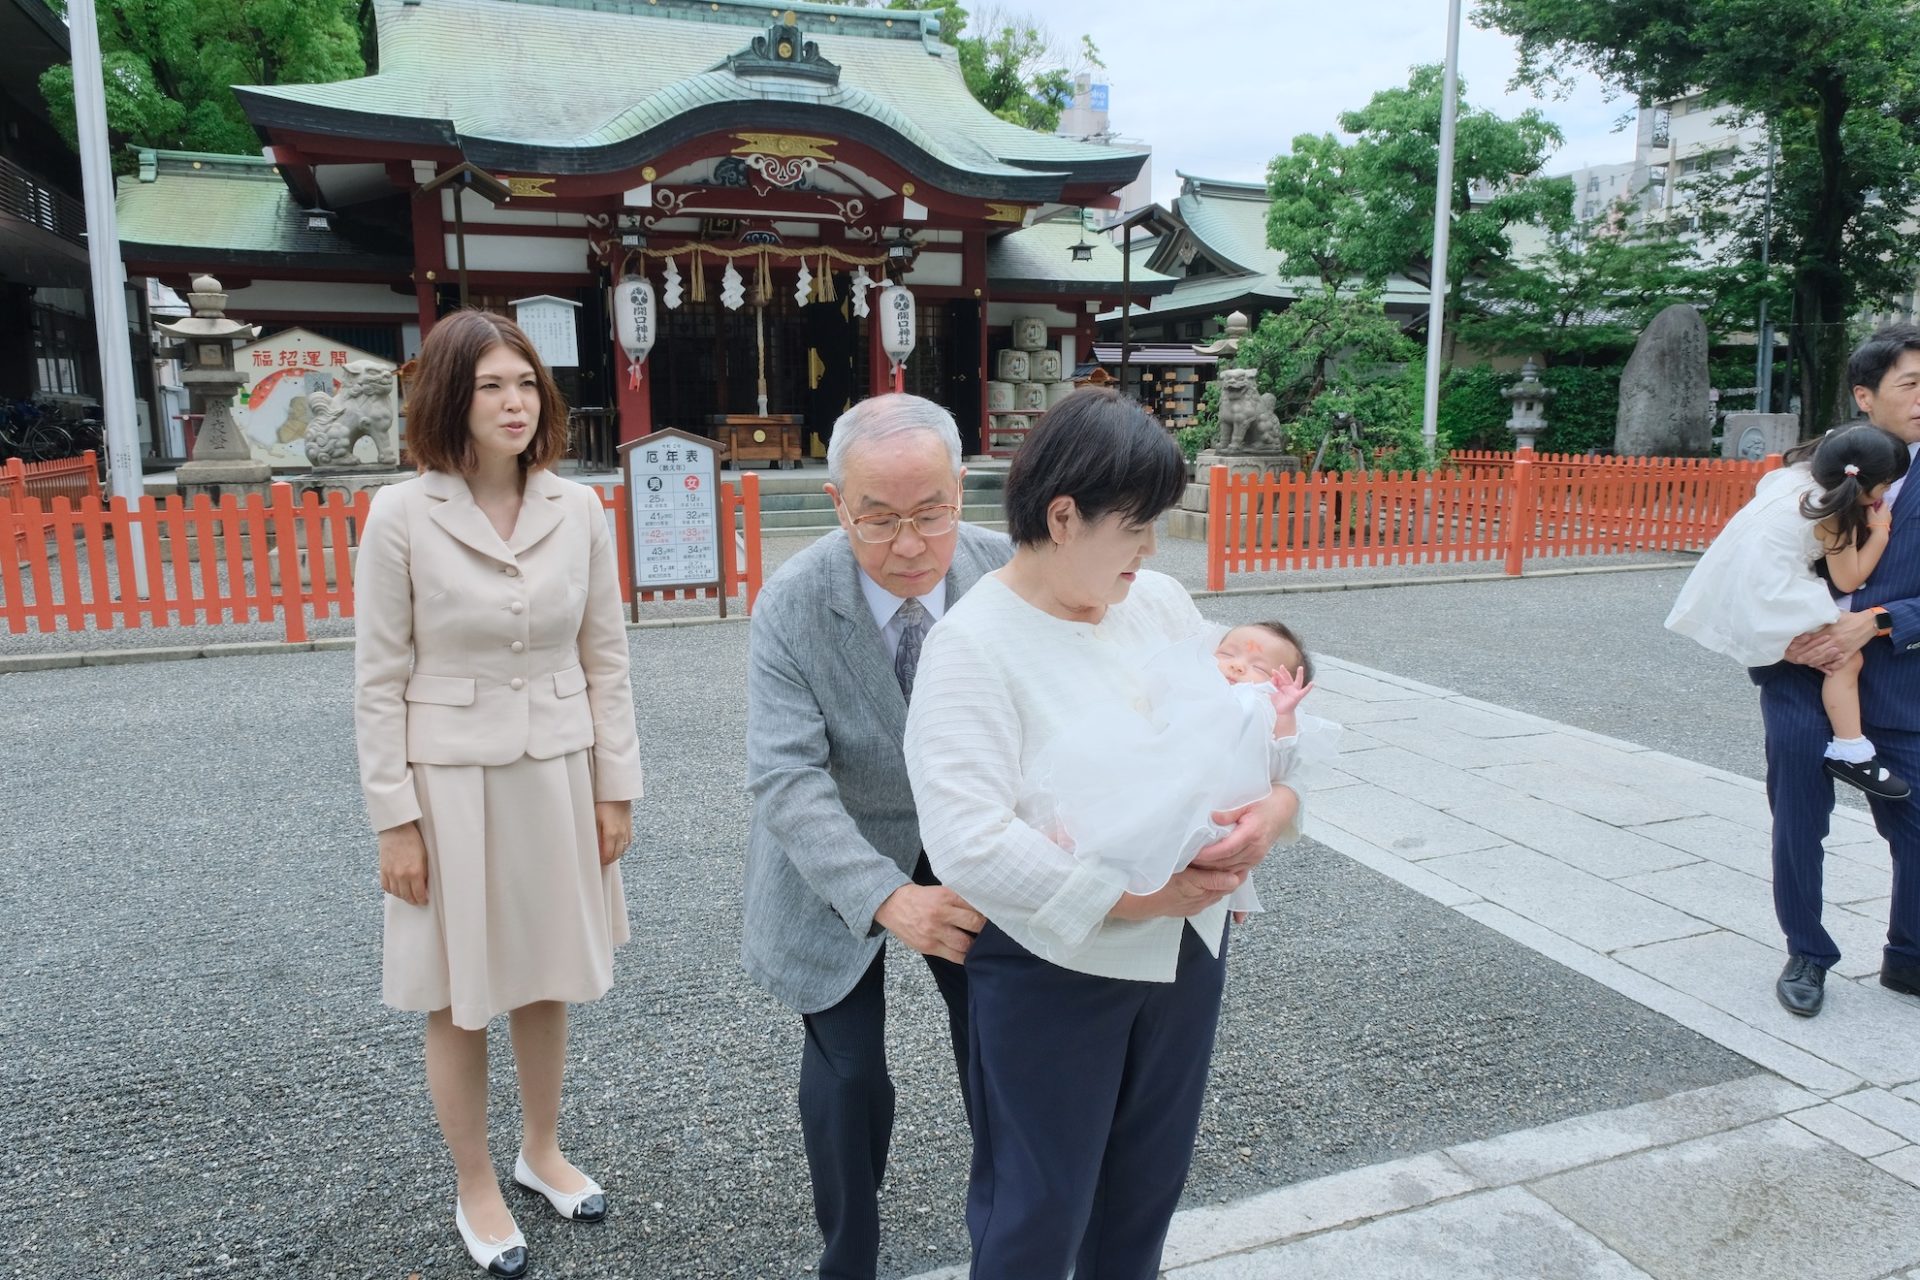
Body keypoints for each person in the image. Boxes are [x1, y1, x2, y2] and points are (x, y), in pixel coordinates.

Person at [902, 388, 1302, 1279]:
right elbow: (969, 839)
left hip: (1187, 948)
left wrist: (1275, 810)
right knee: (1039, 1205)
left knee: (1144, 1192)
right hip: (1057, 965)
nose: (1152, 549)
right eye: (1137, 525)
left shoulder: (1153, 604)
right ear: (1063, 515)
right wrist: (1132, 896)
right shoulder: (973, 646)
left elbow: (1234, 728)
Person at [353, 310, 643, 1277]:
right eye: (491, 386)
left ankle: (542, 1149)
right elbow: (378, 678)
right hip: (449, 783)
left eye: (526, 383)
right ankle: (476, 1180)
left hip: (558, 768)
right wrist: (393, 818)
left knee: (550, 971)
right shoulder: (402, 513)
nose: (515, 402)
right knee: (460, 991)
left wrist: (616, 789)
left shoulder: (580, 508)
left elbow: (607, 657)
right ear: (448, 397)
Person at [740, 394, 1002, 1280]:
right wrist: (886, 897)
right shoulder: (794, 603)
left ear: (962, 490)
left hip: (969, 837)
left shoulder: (1005, 574)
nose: (908, 545)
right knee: (851, 1078)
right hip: (840, 849)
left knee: (1002, 1045)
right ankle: (848, 1255)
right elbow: (785, 777)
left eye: (931, 514)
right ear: (836, 502)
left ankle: (1010, 1235)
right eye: (878, 519)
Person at [1756, 322, 1920, 1018]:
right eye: (1911, 384)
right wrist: (1782, 637)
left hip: (1898, 683)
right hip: (1801, 679)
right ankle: (1808, 952)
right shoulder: (1807, 473)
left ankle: (1909, 954)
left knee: (1914, 825)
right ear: (1865, 395)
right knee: (1799, 821)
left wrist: (1879, 621)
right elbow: (1753, 571)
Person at [1668, 422, 1912, 799]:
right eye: (1886, 485)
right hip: (1772, 594)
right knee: (1845, 660)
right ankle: (1851, 750)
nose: (1886, 493)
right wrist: (1879, 530)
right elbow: (1850, 579)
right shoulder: (1834, 513)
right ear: (1866, 486)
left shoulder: (1788, 478)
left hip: (1735, 579)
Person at [1029, 620, 1335, 917]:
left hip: (1207, 803)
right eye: (1227, 654)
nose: (1237, 666)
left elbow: (1281, 765)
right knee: (1122, 798)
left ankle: (1093, 852)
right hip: (1164, 776)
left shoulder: (1259, 708)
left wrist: (1283, 717)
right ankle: (1077, 839)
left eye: (1260, 668)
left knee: (1158, 830)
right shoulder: (1193, 683)